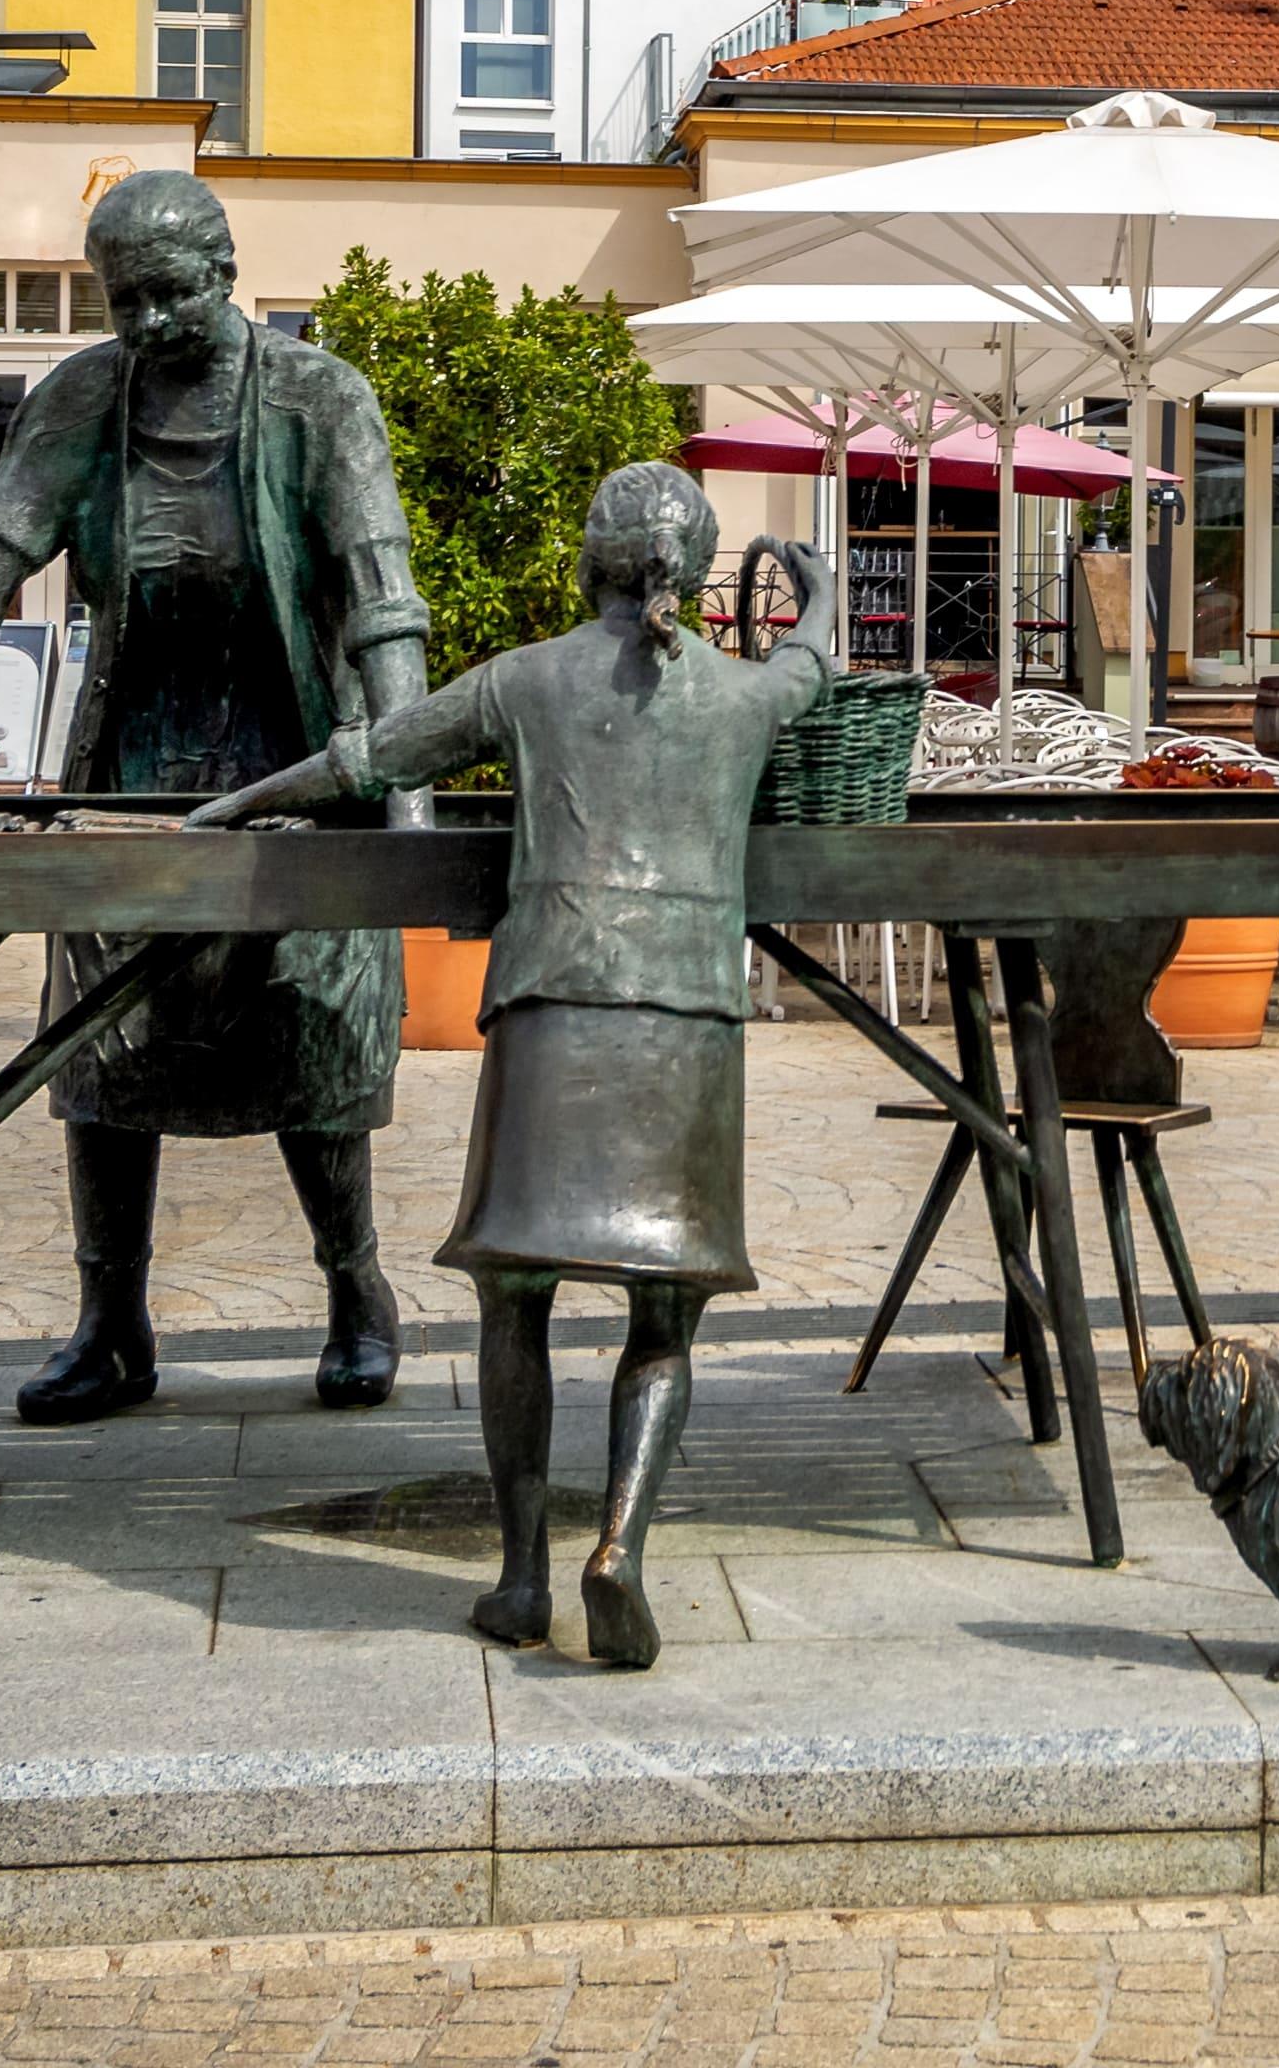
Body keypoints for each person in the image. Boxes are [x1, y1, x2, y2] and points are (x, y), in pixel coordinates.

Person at [199, 463, 832, 1671]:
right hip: (688, 1021)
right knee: (665, 1313)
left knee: (514, 1295)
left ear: (589, 562)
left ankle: (523, 1572)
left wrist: (231, 810)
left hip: (551, 1005)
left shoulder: (525, 678)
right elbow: (811, 667)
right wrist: (818, 596)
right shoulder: (744, 695)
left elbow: (374, 757)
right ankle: (621, 1545)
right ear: (696, 571)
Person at [0, 171, 427, 1423]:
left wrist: (407, 804)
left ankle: (355, 1290)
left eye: (169, 294)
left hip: (293, 769)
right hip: (130, 771)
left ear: (226, 272)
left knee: (311, 1036)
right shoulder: (79, 399)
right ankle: (110, 1322)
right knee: (103, 1044)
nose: (149, 322)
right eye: (125, 300)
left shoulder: (320, 397)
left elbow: (382, 596)